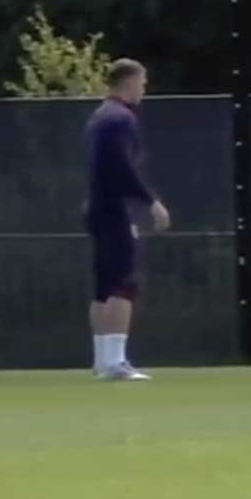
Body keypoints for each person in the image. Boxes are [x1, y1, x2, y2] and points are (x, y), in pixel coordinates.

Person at [84, 59, 169, 381]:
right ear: (129, 81)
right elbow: (123, 168)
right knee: (124, 283)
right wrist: (151, 201)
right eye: (142, 82)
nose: (144, 89)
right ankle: (116, 362)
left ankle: (102, 361)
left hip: (96, 208)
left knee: (103, 287)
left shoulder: (100, 116)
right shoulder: (120, 118)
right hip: (115, 210)